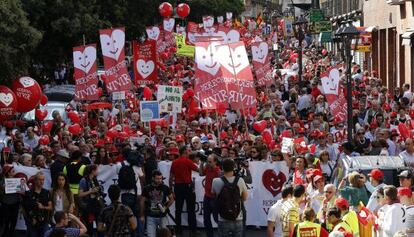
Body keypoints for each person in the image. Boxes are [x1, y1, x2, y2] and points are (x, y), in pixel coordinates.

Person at [212, 158, 248, 237]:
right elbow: (245, 198)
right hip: (237, 217)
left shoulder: (215, 181)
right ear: (234, 167)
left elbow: (213, 194)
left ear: (222, 167)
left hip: (223, 218)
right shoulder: (240, 180)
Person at [169, 146, 199, 235]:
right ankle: (193, 230)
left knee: (178, 210)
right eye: (188, 151)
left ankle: (178, 231)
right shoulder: (188, 161)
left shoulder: (174, 162)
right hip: (187, 186)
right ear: (185, 152)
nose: (189, 152)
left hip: (178, 187)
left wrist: (171, 189)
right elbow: (199, 171)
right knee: (191, 209)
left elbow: (171, 178)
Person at [141, 170, 174, 237]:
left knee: (164, 235)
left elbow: (172, 199)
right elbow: (142, 201)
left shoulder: (165, 187)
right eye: (157, 178)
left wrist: (165, 207)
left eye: (160, 178)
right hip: (150, 216)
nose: (159, 180)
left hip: (162, 216)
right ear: (153, 178)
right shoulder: (147, 188)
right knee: (150, 235)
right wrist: (142, 215)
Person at [22, 172, 53, 237]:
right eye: (40, 179)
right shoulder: (29, 193)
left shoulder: (46, 192)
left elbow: (51, 207)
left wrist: (43, 207)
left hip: (44, 222)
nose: (42, 182)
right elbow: (24, 208)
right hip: (32, 222)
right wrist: (29, 220)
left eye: (43, 180)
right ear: (35, 180)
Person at [78, 164, 105, 237]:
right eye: (96, 170)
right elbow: (80, 194)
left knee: (100, 226)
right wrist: (91, 191)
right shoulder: (83, 180)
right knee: (89, 227)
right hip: (89, 207)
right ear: (93, 171)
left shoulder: (95, 179)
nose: (98, 172)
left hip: (97, 205)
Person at [199, 154, 221, 237]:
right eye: (207, 161)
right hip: (207, 197)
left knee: (216, 218)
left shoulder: (218, 171)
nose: (208, 163)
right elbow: (201, 174)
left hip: (215, 198)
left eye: (210, 162)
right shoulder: (207, 168)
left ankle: (222, 234)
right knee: (206, 219)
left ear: (215, 162)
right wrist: (202, 163)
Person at [0, 165, 23, 237]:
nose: (14, 172)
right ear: (8, 173)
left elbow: (22, 192)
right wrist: (2, 188)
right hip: (6, 204)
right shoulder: (2, 182)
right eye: (13, 171)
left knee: (14, 221)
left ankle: (11, 234)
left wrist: (22, 186)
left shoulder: (18, 180)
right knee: (6, 222)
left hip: (15, 203)